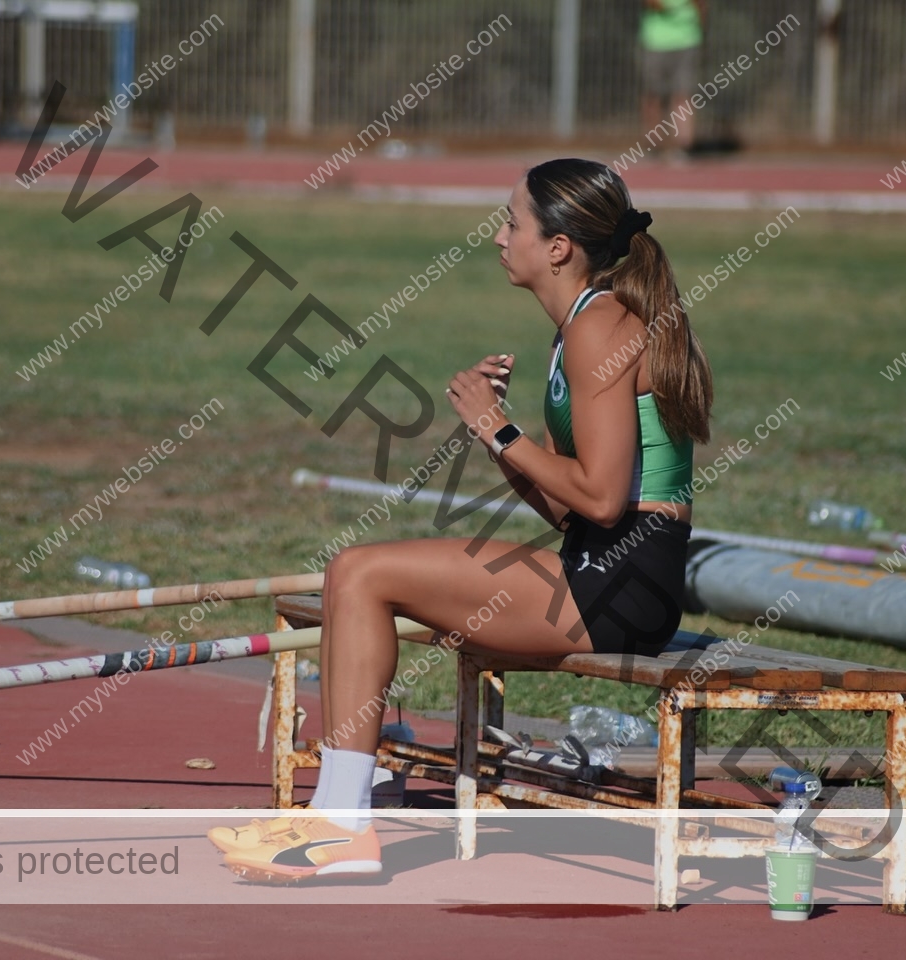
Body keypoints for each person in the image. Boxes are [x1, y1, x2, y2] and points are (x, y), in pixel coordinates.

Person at [208, 158, 715, 884]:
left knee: (360, 573)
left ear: (559, 247)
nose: (498, 237)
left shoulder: (599, 328)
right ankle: (334, 817)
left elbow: (600, 502)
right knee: (357, 577)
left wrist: (501, 429)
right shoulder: (583, 325)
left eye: (513, 224)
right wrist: (494, 435)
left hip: (624, 579)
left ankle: (340, 826)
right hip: (606, 563)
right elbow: (570, 506)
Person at [640, 0, 706, 158]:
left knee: (683, 94)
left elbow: (702, 5)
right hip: (655, 41)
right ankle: (653, 145)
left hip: (688, 39)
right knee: (653, 95)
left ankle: (683, 147)